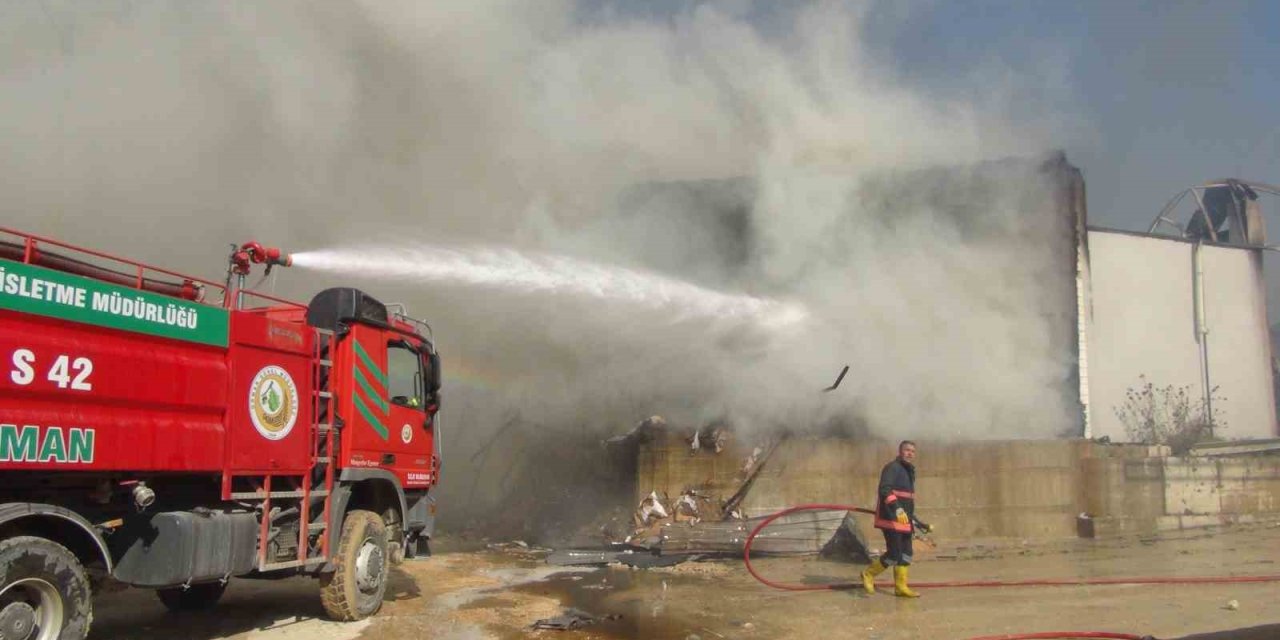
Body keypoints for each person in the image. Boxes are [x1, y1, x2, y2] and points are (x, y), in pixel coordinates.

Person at [861, 440, 932, 597]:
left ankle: (901, 587)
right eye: (907, 450)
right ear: (900, 451)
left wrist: (920, 523)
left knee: (906, 553)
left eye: (912, 451)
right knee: (894, 553)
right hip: (891, 518)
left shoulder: (909, 471)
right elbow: (884, 489)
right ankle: (868, 574)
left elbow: (906, 501)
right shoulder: (892, 467)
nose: (910, 453)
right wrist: (897, 509)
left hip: (904, 520)